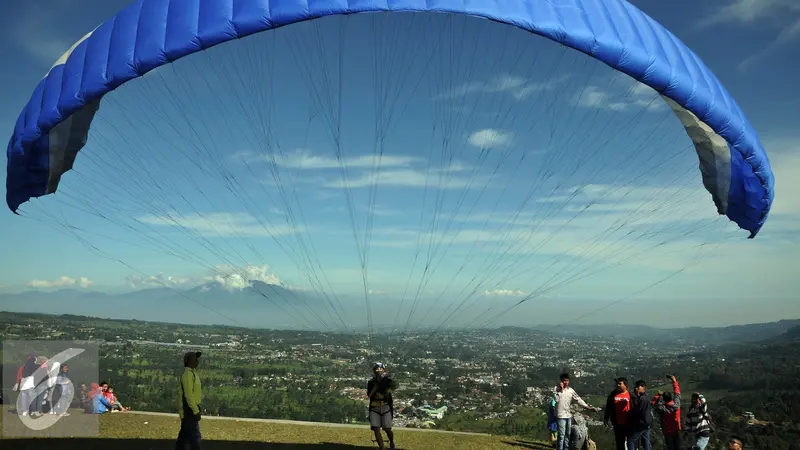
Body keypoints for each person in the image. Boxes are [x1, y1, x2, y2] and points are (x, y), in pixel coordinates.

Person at [554, 373, 602, 450]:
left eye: (567, 381)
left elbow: (578, 400)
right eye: (564, 381)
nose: (566, 382)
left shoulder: (571, 391)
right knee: (561, 435)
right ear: (561, 381)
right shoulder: (556, 389)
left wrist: (588, 407)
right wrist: (561, 390)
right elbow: (556, 400)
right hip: (560, 416)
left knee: (567, 435)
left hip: (568, 415)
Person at [367, 362, 398, 450]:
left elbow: (395, 386)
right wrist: (376, 386)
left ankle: (391, 441)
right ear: (374, 371)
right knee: (376, 429)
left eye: (381, 369)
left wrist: (386, 382)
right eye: (377, 369)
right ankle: (382, 448)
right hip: (374, 407)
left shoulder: (388, 381)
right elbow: (369, 395)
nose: (379, 371)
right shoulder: (371, 382)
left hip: (385, 407)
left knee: (387, 428)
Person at [176, 351, 203, 450]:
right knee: (195, 437)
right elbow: (188, 395)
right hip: (189, 411)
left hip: (190, 410)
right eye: (194, 357)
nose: (196, 359)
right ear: (188, 361)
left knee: (184, 438)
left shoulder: (192, 373)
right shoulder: (188, 375)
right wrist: (195, 411)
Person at [653, 375, 682, 450]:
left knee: (670, 447)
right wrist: (674, 381)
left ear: (664, 400)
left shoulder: (662, 408)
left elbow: (654, 404)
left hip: (667, 431)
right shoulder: (677, 405)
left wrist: (658, 396)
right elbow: (677, 393)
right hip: (677, 429)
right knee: (678, 446)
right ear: (671, 397)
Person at [605, 377, 632, 450]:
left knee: (631, 442)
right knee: (619, 443)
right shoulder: (613, 394)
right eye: (617, 383)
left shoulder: (630, 395)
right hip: (617, 423)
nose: (618, 385)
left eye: (620, 384)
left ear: (625, 385)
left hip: (628, 423)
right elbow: (608, 407)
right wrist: (606, 418)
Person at [627, 380, 653, 450]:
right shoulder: (647, 396)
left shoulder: (642, 398)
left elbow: (638, 411)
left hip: (642, 422)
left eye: (638, 387)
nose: (637, 388)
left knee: (630, 441)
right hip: (647, 421)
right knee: (646, 439)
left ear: (643, 387)